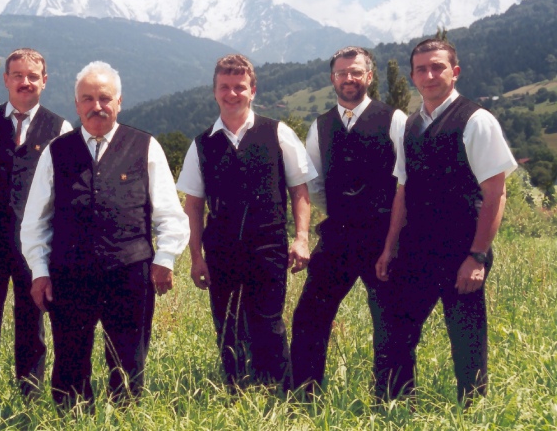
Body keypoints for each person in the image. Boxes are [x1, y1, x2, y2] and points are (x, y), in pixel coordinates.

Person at [20, 61, 189, 409]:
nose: (96, 106)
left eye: (104, 98)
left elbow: (169, 212)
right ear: (77, 104)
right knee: (69, 363)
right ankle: (71, 420)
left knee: (129, 362)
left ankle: (126, 419)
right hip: (70, 275)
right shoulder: (57, 151)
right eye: (87, 99)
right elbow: (35, 219)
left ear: (119, 102)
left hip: (130, 273)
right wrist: (39, 271)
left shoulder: (144, 146)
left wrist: (166, 258)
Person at [375, 39, 517, 404]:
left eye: (437, 67)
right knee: (397, 334)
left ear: (455, 72)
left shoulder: (476, 120)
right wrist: (390, 248)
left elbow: (495, 193)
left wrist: (478, 256)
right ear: (412, 77)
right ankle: (394, 410)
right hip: (415, 250)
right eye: (421, 69)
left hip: (461, 251)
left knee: (467, 340)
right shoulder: (409, 125)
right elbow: (402, 192)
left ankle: (472, 415)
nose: (429, 75)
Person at [176, 54, 316, 391]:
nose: (232, 94)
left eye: (240, 87)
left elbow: (300, 190)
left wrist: (300, 237)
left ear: (253, 90)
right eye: (225, 87)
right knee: (227, 325)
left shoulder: (277, 133)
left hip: (267, 246)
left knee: (268, 324)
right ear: (214, 92)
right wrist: (196, 257)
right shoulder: (201, 144)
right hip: (221, 248)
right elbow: (193, 206)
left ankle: (279, 395)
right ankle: (235, 394)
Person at [0, 48, 72, 416]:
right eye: (17, 75)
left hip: (36, 246)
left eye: (33, 76)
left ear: (45, 81)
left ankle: (30, 404)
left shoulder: (61, 128)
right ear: (5, 80)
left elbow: (63, 191)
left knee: (32, 325)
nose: (25, 82)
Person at [289, 47, 407, 397]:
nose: (349, 79)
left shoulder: (394, 119)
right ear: (332, 79)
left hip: (384, 238)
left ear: (369, 77)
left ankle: (393, 399)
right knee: (309, 315)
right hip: (338, 236)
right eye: (342, 73)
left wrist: (393, 240)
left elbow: (407, 180)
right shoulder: (320, 125)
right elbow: (315, 184)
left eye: (356, 72)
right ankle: (304, 394)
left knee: (390, 321)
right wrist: (340, 213)